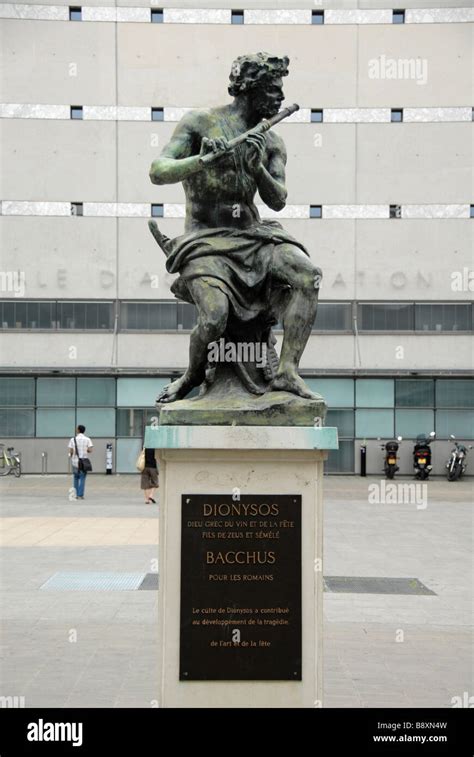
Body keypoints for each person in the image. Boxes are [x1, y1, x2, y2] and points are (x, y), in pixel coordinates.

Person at [149, 52, 322, 404]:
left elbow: (278, 200)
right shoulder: (200, 123)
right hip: (204, 241)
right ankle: (192, 375)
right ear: (249, 90)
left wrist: (257, 167)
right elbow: (158, 171)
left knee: (307, 275)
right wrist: (201, 161)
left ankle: (287, 371)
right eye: (273, 90)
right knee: (213, 317)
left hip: (252, 236)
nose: (280, 98)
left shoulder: (271, 140)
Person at [68, 425, 93, 500]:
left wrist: (71, 455)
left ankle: (75, 494)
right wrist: (85, 450)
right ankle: (80, 495)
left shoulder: (73, 439)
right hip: (83, 462)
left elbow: (71, 451)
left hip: (75, 461)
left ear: (78, 430)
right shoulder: (87, 439)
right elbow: (90, 450)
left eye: (77, 429)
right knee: (82, 478)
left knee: (76, 477)